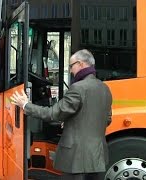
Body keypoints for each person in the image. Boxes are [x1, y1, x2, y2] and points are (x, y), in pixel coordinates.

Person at [11, 49, 112, 180]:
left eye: (71, 66)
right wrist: (73, 121)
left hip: (76, 158)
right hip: (98, 157)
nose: (70, 70)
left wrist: (26, 105)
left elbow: (53, 114)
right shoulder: (104, 88)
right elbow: (107, 119)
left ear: (81, 64)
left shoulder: (78, 88)